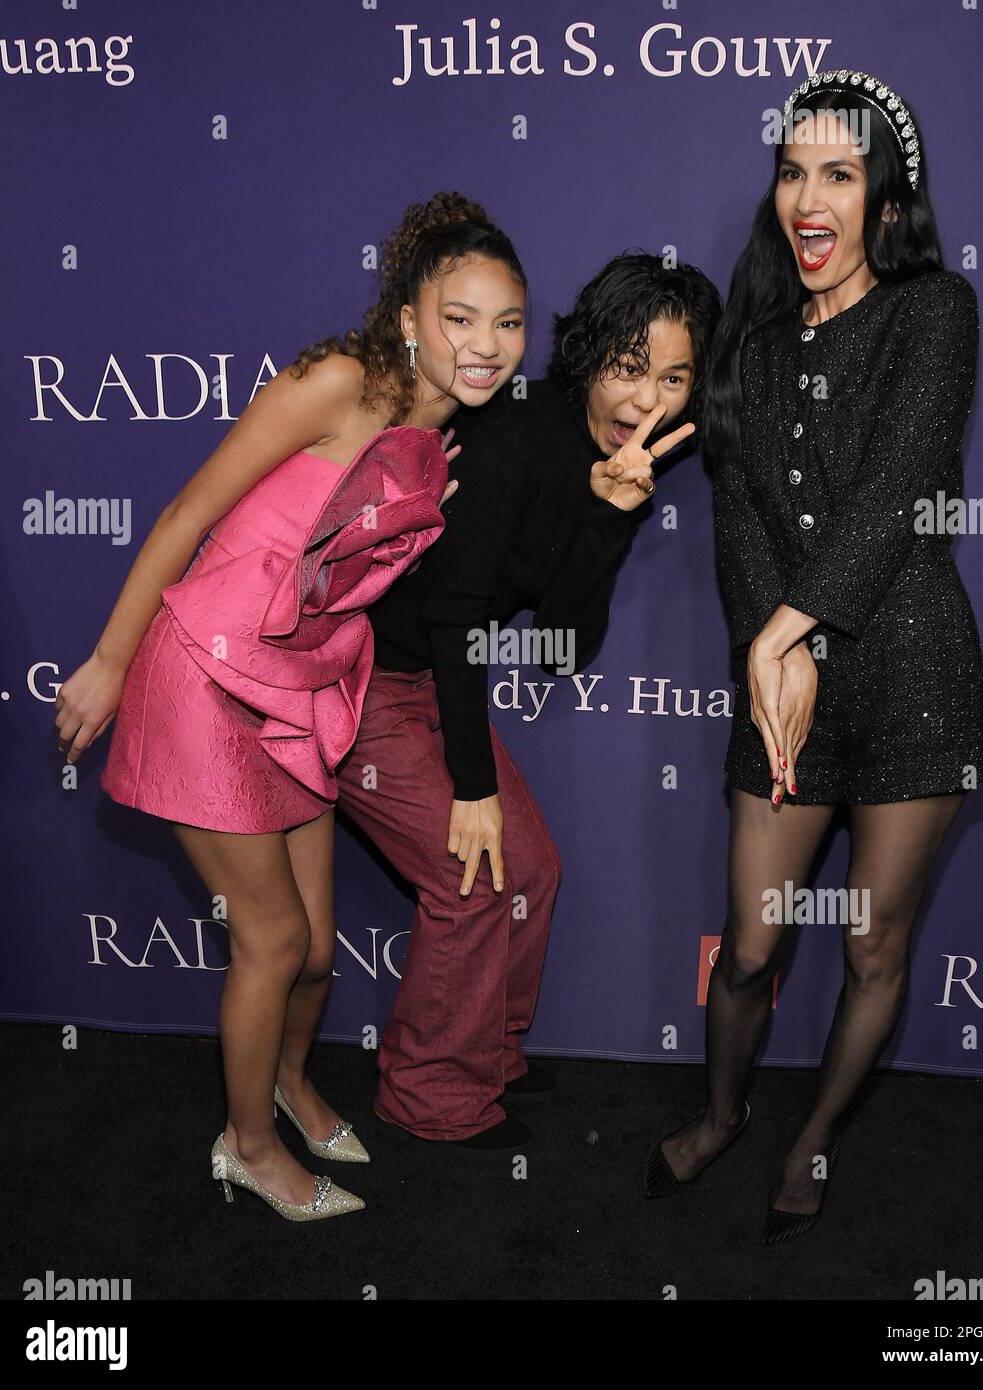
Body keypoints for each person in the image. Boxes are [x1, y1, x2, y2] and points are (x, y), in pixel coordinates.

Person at [54, 191, 527, 1219]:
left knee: (313, 944)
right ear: (409, 314)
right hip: (202, 679)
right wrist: (107, 660)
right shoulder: (337, 383)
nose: (484, 345)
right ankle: (248, 1145)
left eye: (506, 322)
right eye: (460, 317)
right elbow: (190, 510)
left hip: (301, 690)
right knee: (271, 942)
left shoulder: (444, 440)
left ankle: (290, 1081)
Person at [642, 70, 983, 1243]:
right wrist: (767, 646)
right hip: (780, 675)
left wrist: (787, 628)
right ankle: (724, 1111)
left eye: (836, 174)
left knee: (869, 940)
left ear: (883, 205)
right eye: (791, 170)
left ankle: (812, 1141)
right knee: (746, 946)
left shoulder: (935, 310)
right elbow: (735, 513)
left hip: (912, 672)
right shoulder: (744, 344)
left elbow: (897, 488)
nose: (807, 194)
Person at [334, 251, 721, 1150]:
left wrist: (611, 514)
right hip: (354, 678)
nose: (645, 399)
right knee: (473, 878)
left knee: (529, 869)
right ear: (588, 357)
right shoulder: (514, 433)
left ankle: (483, 1052)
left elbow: (562, 647)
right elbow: (453, 613)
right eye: (628, 367)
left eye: (672, 377)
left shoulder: (624, 458)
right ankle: (429, 1095)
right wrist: (472, 789)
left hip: (430, 678)